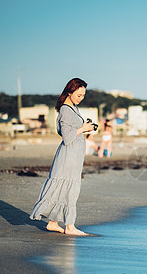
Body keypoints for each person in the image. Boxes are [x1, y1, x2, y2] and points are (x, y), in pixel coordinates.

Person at [30, 78, 95, 236]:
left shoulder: (72, 108)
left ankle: (53, 223)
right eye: (79, 95)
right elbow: (66, 137)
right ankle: (70, 226)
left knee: (65, 189)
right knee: (69, 189)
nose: (81, 98)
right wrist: (82, 129)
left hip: (73, 155)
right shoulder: (66, 109)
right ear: (70, 92)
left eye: (83, 95)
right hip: (68, 156)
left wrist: (84, 128)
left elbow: (70, 131)